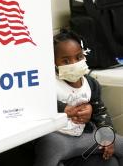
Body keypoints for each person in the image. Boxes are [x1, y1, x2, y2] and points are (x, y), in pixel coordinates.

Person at [33, 29, 123, 166]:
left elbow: (101, 113)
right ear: (53, 63)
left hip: (85, 138)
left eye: (78, 57)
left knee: (117, 146)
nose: (73, 63)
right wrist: (65, 110)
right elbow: (40, 104)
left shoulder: (91, 84)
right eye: (66, 60)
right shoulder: (49, 84)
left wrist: (107, 137)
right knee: (49, 145)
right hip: (59, 139)